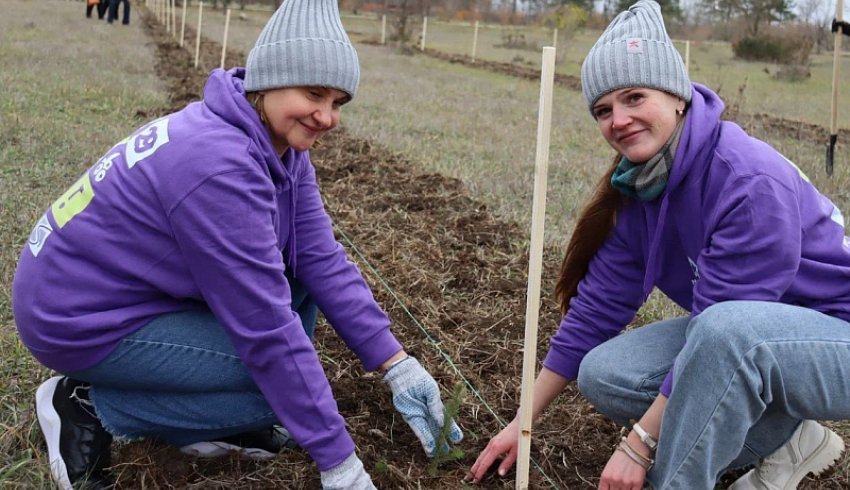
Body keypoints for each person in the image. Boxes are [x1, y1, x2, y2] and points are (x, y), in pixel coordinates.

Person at [13, 1, 462, 489]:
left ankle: (214, 412)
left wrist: (397, 365)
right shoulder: (219, 165)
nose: (328, 117)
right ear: (269, 81)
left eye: (338, 102)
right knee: (277, 389)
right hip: (74, 313)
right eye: (314, 94)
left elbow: (319, 258)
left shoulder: (278, 144)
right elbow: (266, 329)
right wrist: (341, 465)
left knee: (298, 299)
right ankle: (85, 405)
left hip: (123, 292)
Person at [466, 1, 850, 489]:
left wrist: (640, 444)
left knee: (723, 331)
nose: (619, 120)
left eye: (634, 97)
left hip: (836, 340)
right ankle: (788, 440)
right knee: (603, 372)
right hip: (756, 340)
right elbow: (595, 312)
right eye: (603, 110)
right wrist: (522, 423)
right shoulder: (642, 188)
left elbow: (726, 337)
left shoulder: (747, 181)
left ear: (678, 97)